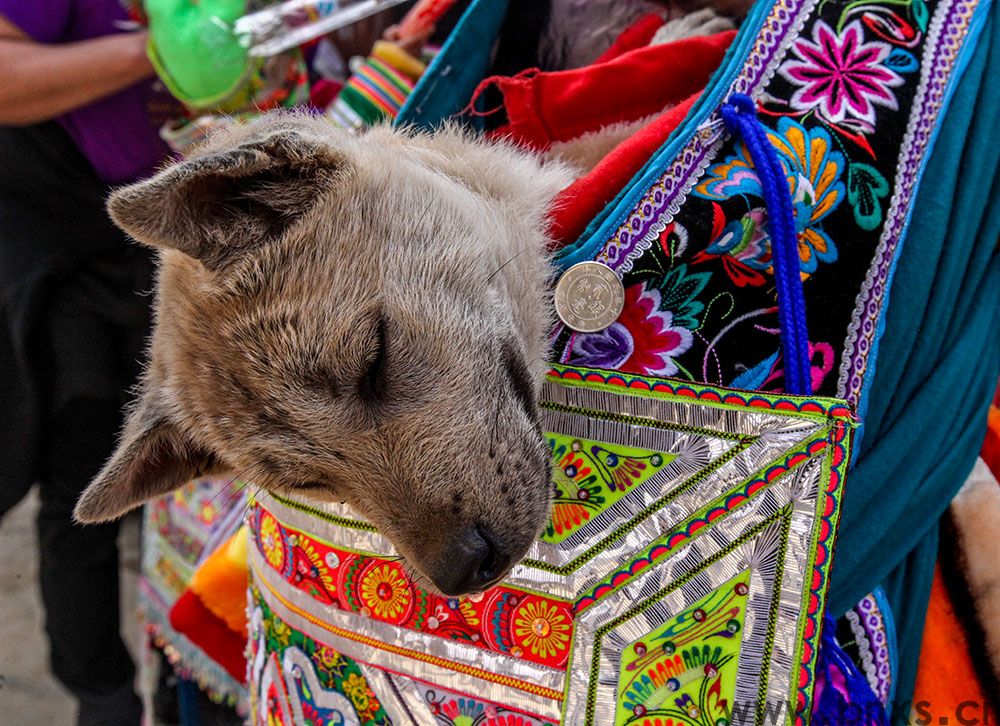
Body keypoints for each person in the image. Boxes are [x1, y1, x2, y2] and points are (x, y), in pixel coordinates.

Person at [0, 3, 179, 724]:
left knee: (167, 484)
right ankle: (101, 700)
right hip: (61, 257)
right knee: (82, 491)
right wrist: (157, 52)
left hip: (145, 251)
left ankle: (170, 681)